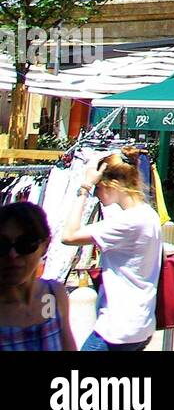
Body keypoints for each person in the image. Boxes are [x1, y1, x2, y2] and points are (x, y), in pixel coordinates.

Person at [61, 151, 162, 352]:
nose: (96, 194)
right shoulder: (149, 215)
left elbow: (68, 236)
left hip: (117, 328)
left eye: (98, 188)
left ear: (111, 185)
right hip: (141, 323)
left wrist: (84, 188)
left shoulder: (126, 222)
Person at [0, 203, 76, 351]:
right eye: (2, 245)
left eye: (26, 244)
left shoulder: (52, 295)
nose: (13, 255)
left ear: (45, 246)